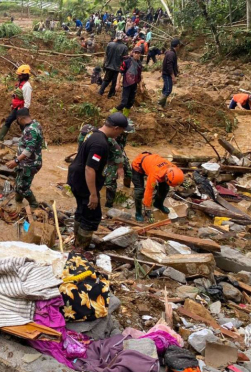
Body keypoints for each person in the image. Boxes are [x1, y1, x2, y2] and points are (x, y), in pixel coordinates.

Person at [67, 113, 129, 252]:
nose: (120, 134)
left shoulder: (93, 133)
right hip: (84, 182)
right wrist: (93, 194)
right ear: (116, 128)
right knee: (92, 216)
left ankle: (77, 242)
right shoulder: (100, 144)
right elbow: (90, 168)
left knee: (82, 210)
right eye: (121, 131)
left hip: (75, 177)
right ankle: (79, 249)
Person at [4, 108, 43, 208]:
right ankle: (18, 203)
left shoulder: (30, 130)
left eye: (17, 120)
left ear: (20, 118)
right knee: (18, 184)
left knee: (22, 187)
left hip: (30, 164)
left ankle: (34, 205)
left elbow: (29, 149)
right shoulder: (35, 124)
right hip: (27, 163)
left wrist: (16, 161)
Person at [131, 152, 184, 221]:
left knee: (165, 188)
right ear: (166, 177)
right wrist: (148, 207)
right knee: (139, 191)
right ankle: (138, 213)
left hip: (153, 164)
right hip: (138, 166)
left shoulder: (173, 168)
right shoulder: (155, 175)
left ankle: (158, 204)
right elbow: (149, 190)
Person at [0, 64, 32, 140]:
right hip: (16, 108)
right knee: (8, 120)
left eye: (20, 75)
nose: (18, 76)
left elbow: (27, 101)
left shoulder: (27, 86)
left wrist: (24, 111)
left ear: (25, 75)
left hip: (22, 109)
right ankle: (0, 137)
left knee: (23, 124)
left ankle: (29, 139)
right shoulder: (20, 84)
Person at [113, 46, 144, 117]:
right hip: (126, 84)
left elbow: (140, 76)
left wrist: (141, 86)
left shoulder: (139, 64)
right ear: (132, 53)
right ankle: (113, 112)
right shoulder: (126, 62)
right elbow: (120, 72)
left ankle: (124, 116)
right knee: (124, 102)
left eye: (138, 53)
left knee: (130, 102)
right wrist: (117, 84)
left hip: (134, 85)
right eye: (135, 53)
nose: (137, 54)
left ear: (140, 55)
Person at [99, 33, 128, 98]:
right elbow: (125, 60)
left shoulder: (110, 44)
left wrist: (104, 65)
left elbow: (105, 56)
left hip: (109, 66)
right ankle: (110, 96)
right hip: (118, 68)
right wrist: (124, 70)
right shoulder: (124, 47)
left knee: (106, 80)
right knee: (114, 82)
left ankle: (100, 92)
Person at [159, 39, 182, 107]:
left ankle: (162, 104)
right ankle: (159, 103)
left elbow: (171, 65)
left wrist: (177, 72)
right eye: (179, 45)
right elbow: (169, 66)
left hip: (167, 74)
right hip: (167, 75)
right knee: (168, 90)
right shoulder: (171, 54)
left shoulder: (171, 53)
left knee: (166, 89)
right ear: (177, 45)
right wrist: (173, 77)